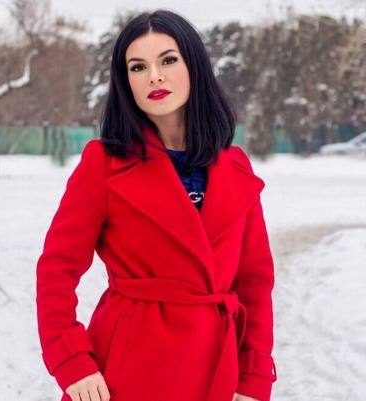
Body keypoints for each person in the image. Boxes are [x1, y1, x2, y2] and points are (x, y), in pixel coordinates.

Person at [36, 9, 277, 401]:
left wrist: (253, 376)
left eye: (168, 60)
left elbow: (255, 283)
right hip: (127, 371)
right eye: (138, 67)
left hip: (216, 369)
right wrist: (71, 360)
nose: (154, 76)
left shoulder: (235, 167)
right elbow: (56, 270)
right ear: (126, 81)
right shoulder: (105, 164)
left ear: (193, 66)